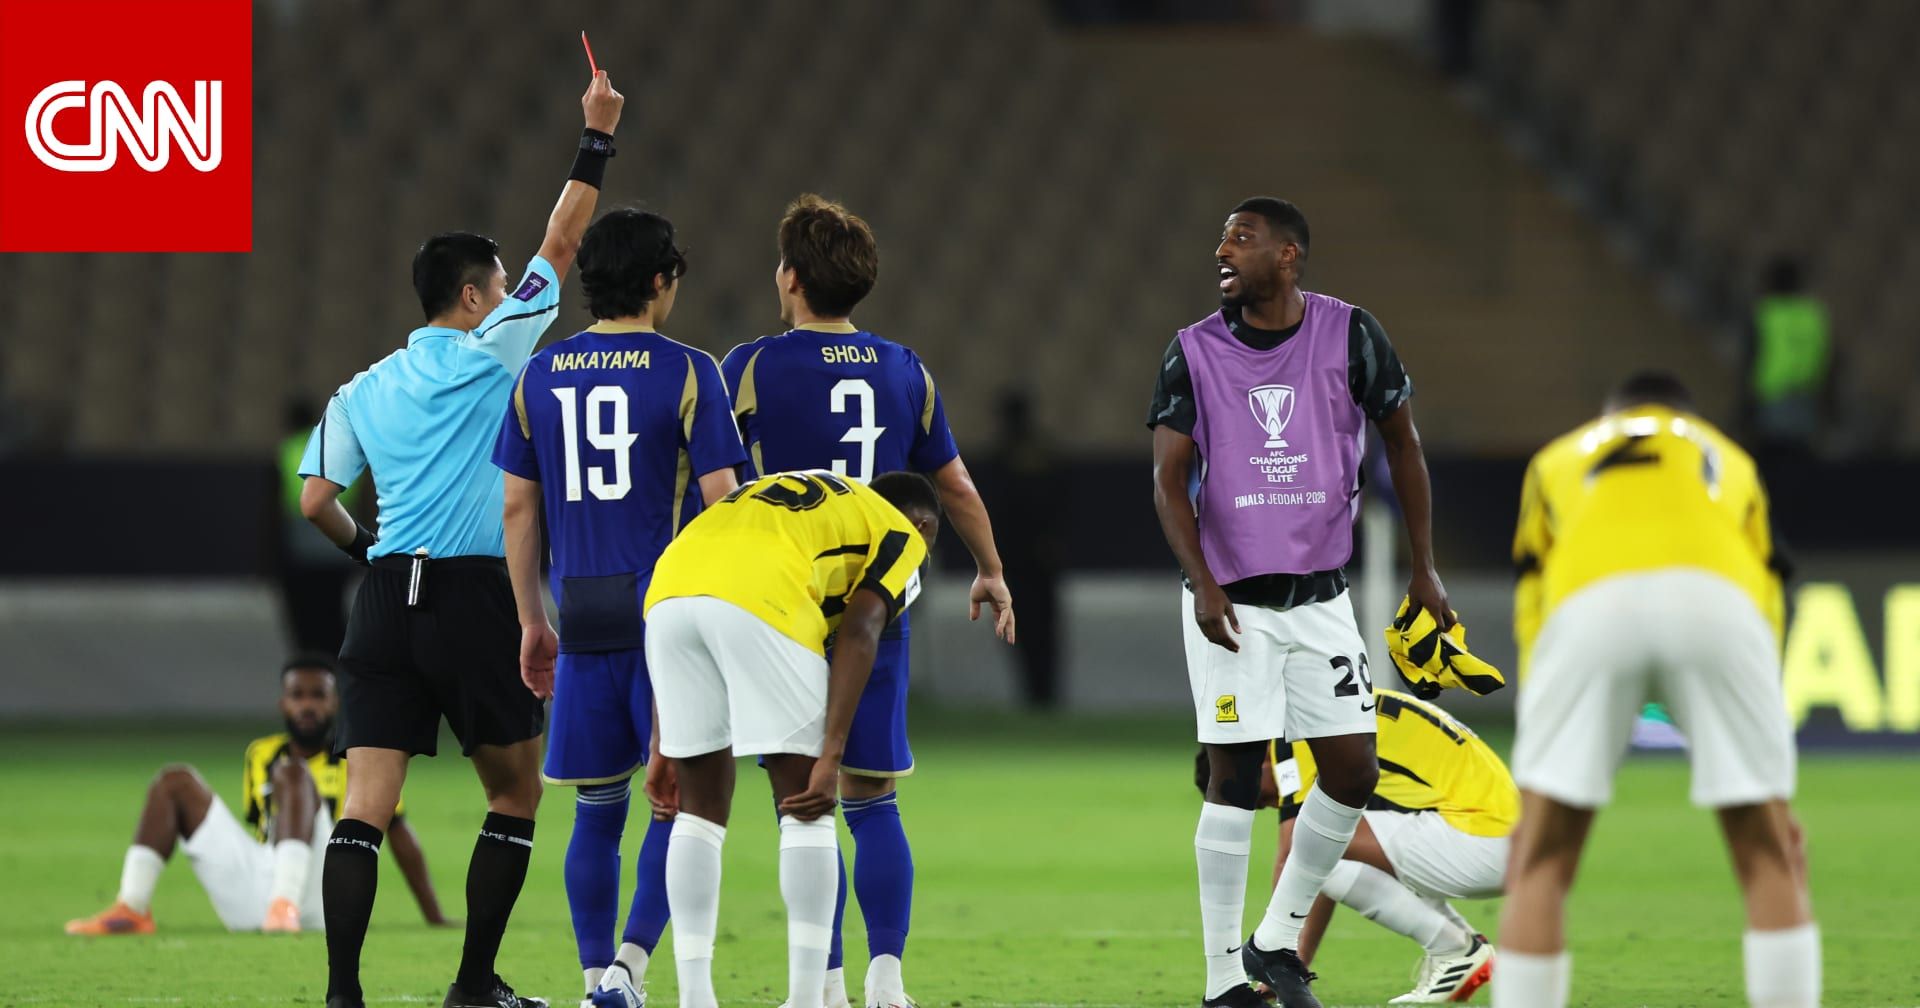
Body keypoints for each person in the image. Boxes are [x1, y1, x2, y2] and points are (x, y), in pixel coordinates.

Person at [297, 68, 625, 1008]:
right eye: (500, 285)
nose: (510, 294)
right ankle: (474, 985)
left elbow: (316, 500)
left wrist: (367, 552)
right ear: (477, 296)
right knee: (514, 795)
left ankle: (343, 996)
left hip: (383, 600)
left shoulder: (361, 388)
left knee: (365, 809)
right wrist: (597, 136)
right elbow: (563, 241)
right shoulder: (494, 348)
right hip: (473, 595)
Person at [1148, 197, 1451, 1008]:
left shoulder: (1351, 335)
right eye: (1222, 238)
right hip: (1232, 602)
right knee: (1233, 777)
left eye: (1241, 238)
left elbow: (1404, 443)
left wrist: (1424, 569)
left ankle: (1276, 938)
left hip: (1322, 597)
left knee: (1353, 770)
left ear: (1288, 256)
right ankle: (1223, 981)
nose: (1223, 250)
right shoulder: (1192, 350)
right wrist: (1202, 584)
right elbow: (1168, 481)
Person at [720, 193, 1015, 1008]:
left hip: (784, 604)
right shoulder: (904, 369)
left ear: (790, 277)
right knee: (872, 795)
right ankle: (888, 979)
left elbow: (713, 480)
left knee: (802, 804)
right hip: (881, 597)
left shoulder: (748, 366)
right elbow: (954, 483)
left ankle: (823, 983)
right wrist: (991, 568)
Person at [1496, 371, 1817, 1008]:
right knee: (1768, 854)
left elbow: (1531, 594)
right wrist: (1770, 765)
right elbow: (1770, 588)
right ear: (1685, 415)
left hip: (1587, 603)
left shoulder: (1557, 459)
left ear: (1610, 415)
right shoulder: (1730, 458)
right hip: (1718, 601)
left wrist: (1540, 733)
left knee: (1540, 862)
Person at [493, 207, 746, 1008]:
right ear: (661, 280)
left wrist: (533, 620)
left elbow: (518, 509)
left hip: (582, 615)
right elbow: (723, 504)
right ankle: (630, 969)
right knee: (680, 802)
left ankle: (593, 979)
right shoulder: (690, 371)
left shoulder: (539, 374)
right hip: (666, 617)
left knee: (595, 810)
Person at [641, 469, 944, 1008]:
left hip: (667, 589)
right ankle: (807, 999)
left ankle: (695, 998)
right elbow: (861, 629)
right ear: (922, 525)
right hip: (762, 596)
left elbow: (706, 584)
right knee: (806, 805)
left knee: (697, 812)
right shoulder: (901, 532)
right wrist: (832, 751)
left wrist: (663, 741)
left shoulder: (818, 499)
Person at [64, 655, 447, 936]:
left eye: (318, 695)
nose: (308, 705)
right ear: (284, 703)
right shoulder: (260, 753)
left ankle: (285, 905)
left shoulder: (358, 759)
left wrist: (433, 915)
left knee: (293, 773)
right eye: (298, 695)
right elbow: (261, 828)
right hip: (260, 888)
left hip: (325, 894)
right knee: (175, 781)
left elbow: (398, 832)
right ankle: (132, 907)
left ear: (335, 703)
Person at [1191, 687, 1510, 1004]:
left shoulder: (1292, 733)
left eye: (1259, 798)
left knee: (1315, 846)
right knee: (1326, 839)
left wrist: (1282, 965)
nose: (1272, 805)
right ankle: (1460, 945)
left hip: (1480, 840)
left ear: (1257, 762)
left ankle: (1453, 948)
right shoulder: (1329, 702)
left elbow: (1294, 854)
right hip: (1504, 840)